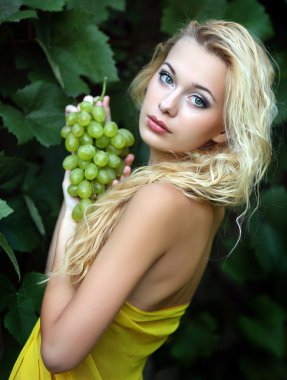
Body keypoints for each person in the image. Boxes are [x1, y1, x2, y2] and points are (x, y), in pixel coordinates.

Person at [9, 19, 277, 379]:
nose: (167, 104)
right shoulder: (201, 204)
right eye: (167, 77)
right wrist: (75, 205)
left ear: (224, 129)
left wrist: (78, 213)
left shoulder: (161, 200)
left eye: (198, 100)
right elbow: (65, 295)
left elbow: (57, 352)